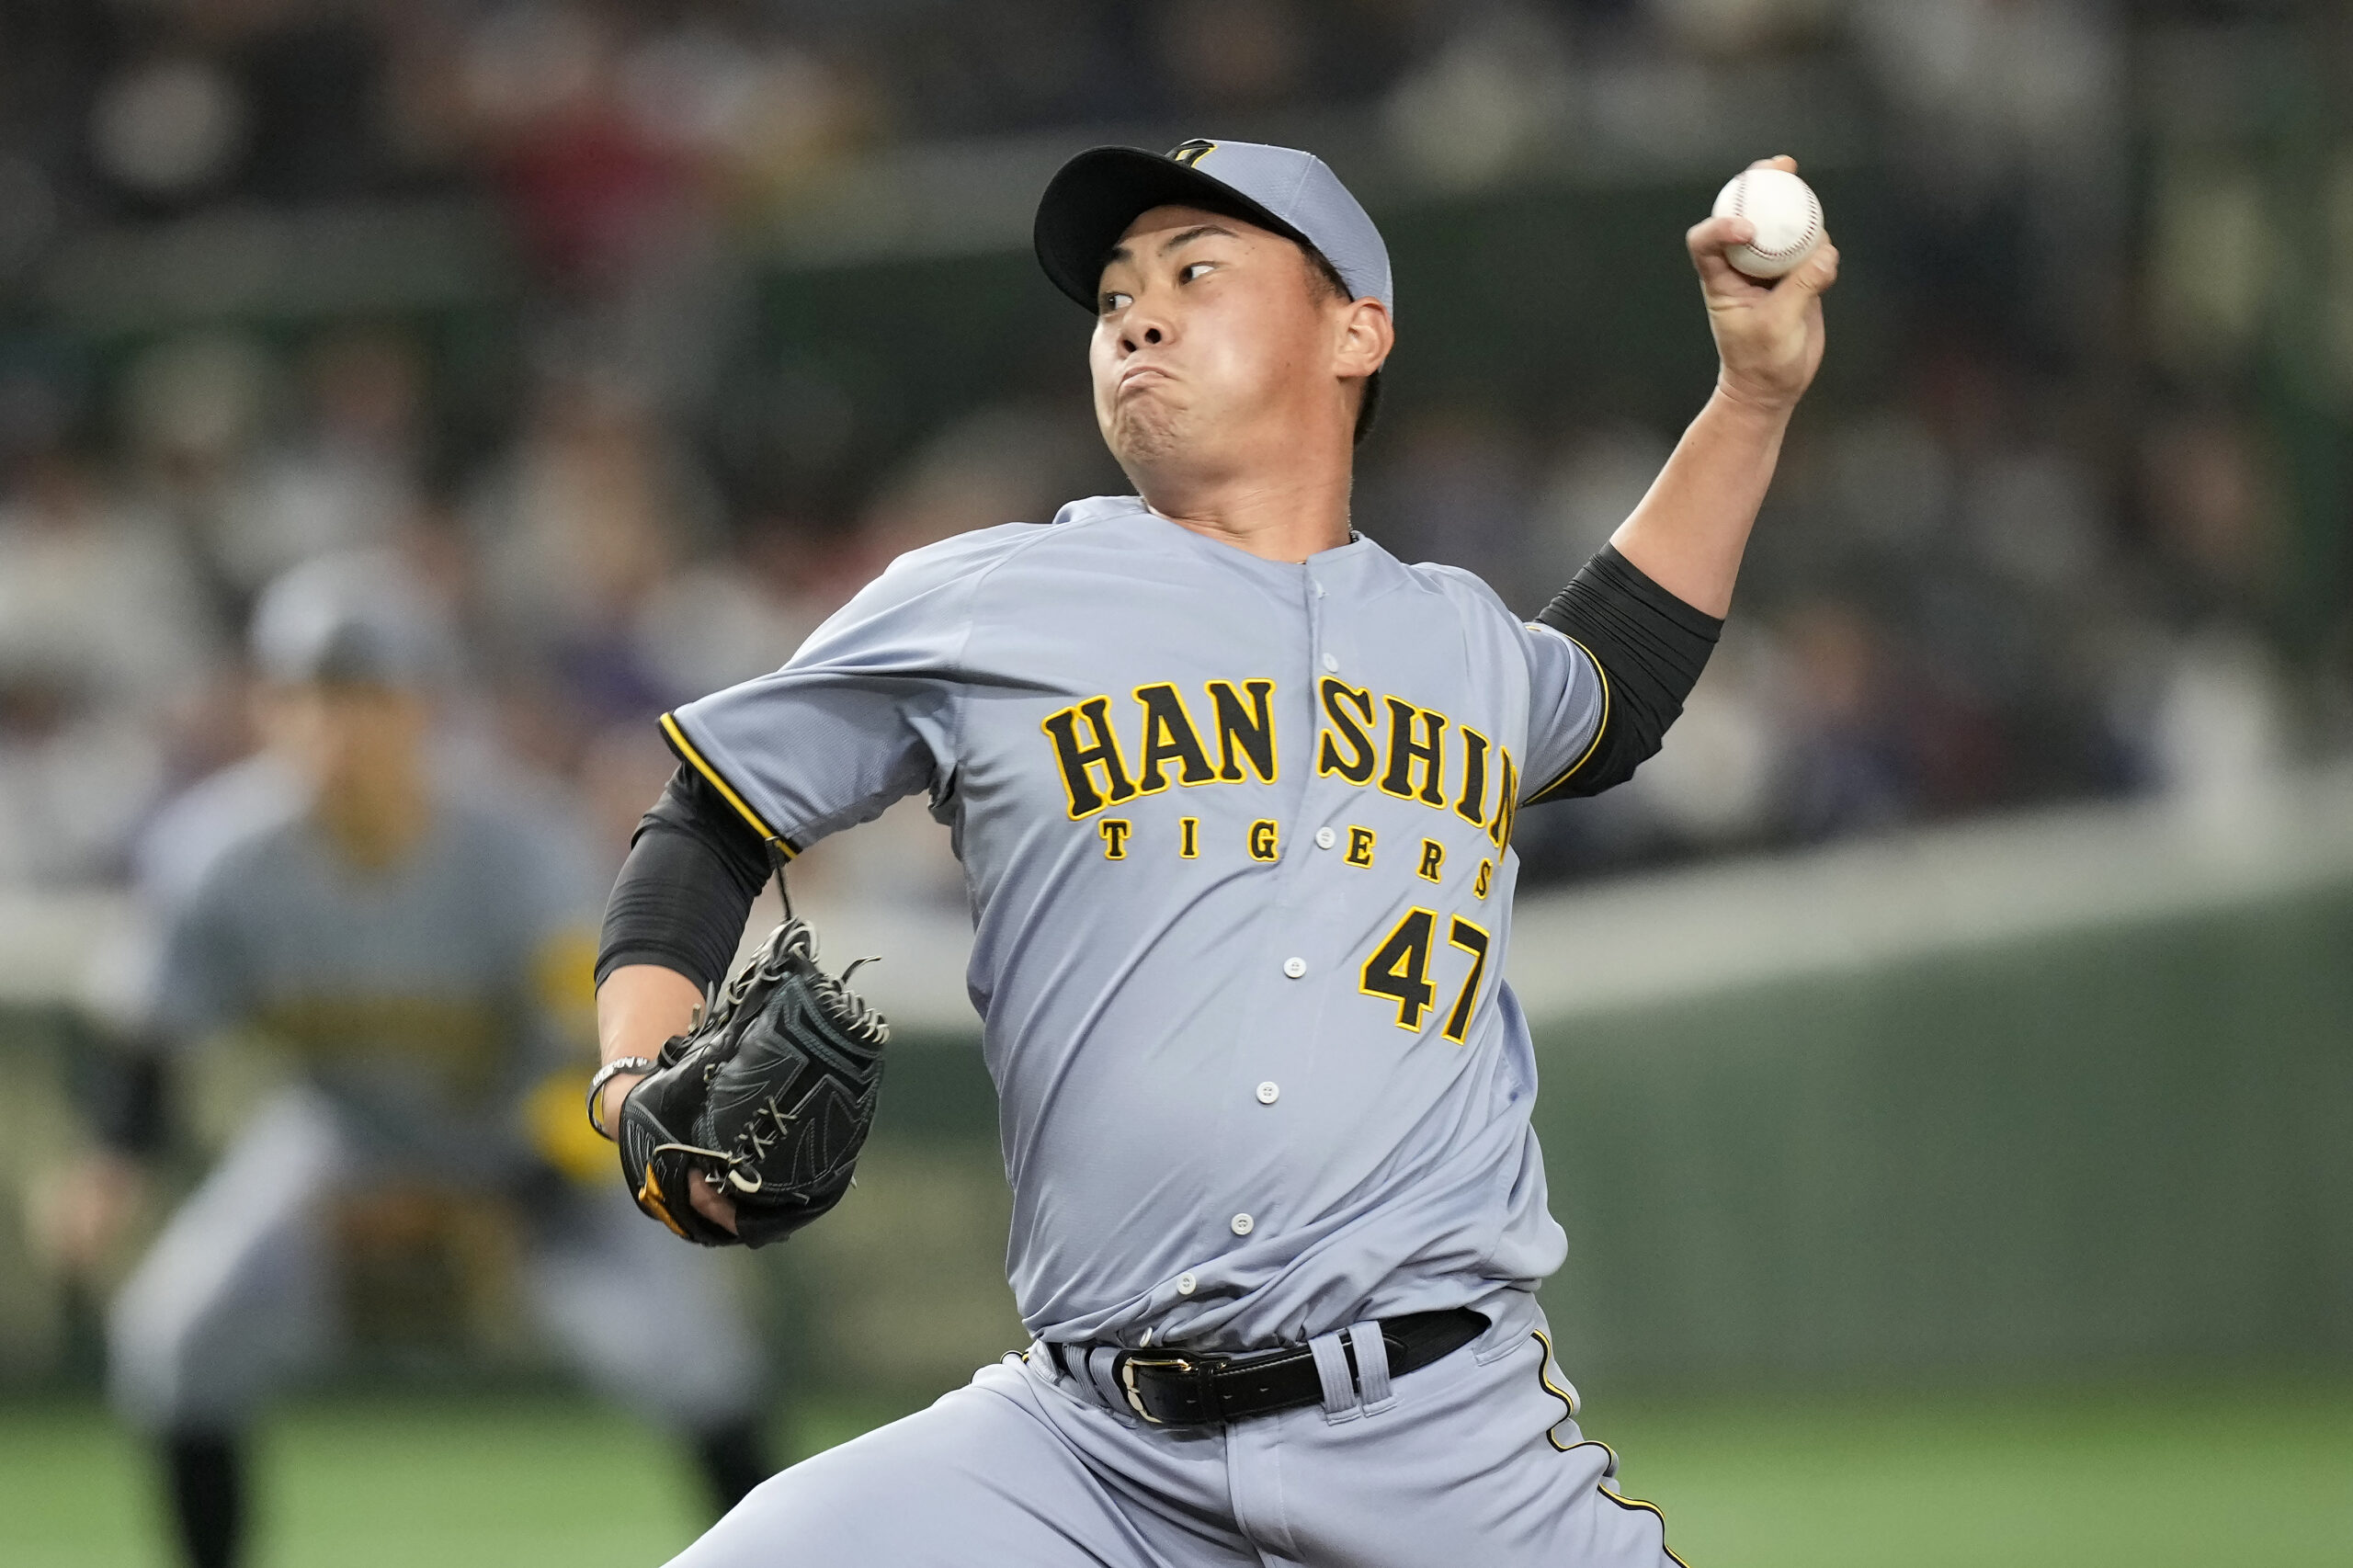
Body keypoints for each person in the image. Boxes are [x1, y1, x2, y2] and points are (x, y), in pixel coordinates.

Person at [593, 139, 1836, 1565]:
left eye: (1196, 270)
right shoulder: (992, 597)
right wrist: (637, 1073)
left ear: (1355, 329)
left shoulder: (1462, 645)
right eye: (1115, 293)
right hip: (1086, 1450)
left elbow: (1615, 686)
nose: (1135, 312)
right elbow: (709, 813)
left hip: (1443, 1437)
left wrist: (1751, 394)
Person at [74, 554, 774, 1568]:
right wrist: (113, 1156)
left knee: (697, 1356)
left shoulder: (517, 848)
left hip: (538, 1151)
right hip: (342, 1149)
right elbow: (151, 1020)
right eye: (309, 696)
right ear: (268, 708)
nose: (336, 727)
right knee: (173, 1337)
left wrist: (501, 1193)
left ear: (422, 709)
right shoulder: (219, 853)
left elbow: (604, 1056)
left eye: (365, 696)